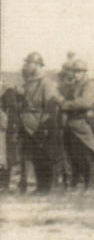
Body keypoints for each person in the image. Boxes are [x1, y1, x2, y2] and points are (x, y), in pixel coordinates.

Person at [58, 57, 94, 190]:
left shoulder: (90, 85)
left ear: (85, 72)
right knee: (75, 155)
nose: (76, 74)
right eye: (74, 72)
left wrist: (66, 104)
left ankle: (91, 185)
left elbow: (86, 102)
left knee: (88, 155)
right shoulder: (74, 85)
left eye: (79, 71)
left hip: (86, 124)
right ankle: (79, 183)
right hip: (74, 124)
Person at [13, 52, 59, 193]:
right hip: (27, 124)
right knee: (33, 156)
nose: (26, 65)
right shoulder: (29, 81)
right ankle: (39, 186)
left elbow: (50, 106)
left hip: (40, 124)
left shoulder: (45, 82)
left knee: (44, 156)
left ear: (38, 65)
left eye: (29, 63)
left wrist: (44, 126)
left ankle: (45, 187)